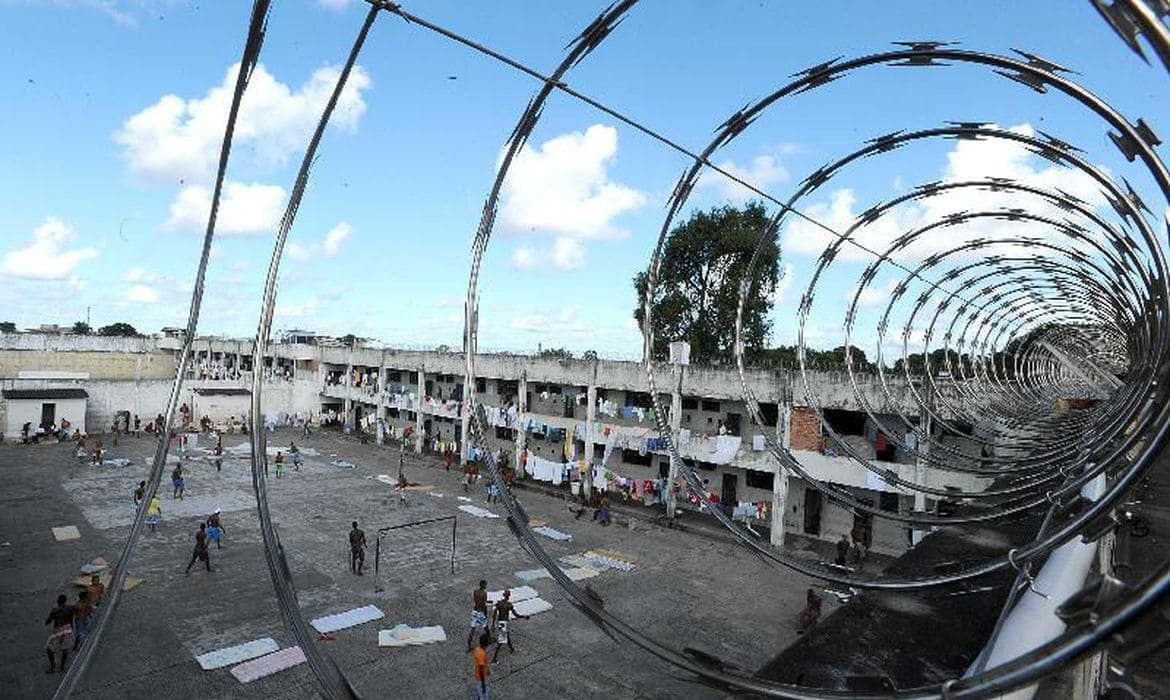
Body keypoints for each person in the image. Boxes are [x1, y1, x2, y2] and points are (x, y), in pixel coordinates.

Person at [491, 589, 530, 661]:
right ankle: (494, 658)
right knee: (501, 642)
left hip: (500, 623)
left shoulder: (499, 603)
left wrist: (493, 624)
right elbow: (516, 615)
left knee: (507, 636)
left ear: (503, 595)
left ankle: (511, 648)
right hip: (505, 623)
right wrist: (524, 617)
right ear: (509, 596)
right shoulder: (509, 605)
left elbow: (494, 613)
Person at [44, 594, 74, 673]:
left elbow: (48, 621)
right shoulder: (70, 608)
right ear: (65, 601)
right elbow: (71, 620)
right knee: (65, 649)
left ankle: (53, 666)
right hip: (67, 628)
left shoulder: (55, 610)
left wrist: (47, 621)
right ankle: (62, 667)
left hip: (59, 630)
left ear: (58, 601)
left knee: (49, 648)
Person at [467, 580, 489, 652]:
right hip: (480, 612)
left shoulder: (475, 591)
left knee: (472, 629)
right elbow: (484, 605)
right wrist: (485, 613)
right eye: (485, 584)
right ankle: (489, 639)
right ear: (483, 585)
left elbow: (476, 600)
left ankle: (469, 645)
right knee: (486, 627)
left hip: (475, 611)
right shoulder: (484, 593)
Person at [473, 632, 491, 699]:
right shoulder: (482, 654)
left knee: (481, 693)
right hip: (481, 678)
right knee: (484, 696)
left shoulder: (477, 649)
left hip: (478, 675)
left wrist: (487, 669)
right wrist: (483, 683)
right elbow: (481, 669)